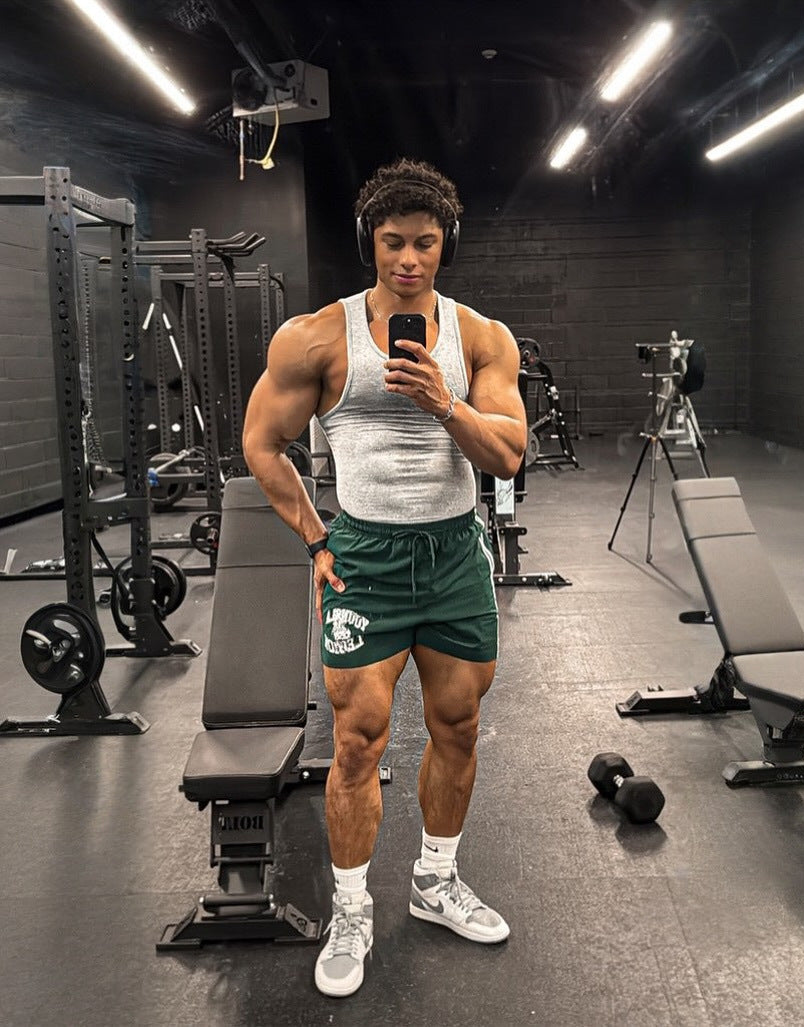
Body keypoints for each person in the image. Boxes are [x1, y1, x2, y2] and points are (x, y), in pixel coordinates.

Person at [242, 157, 527, 998]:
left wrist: (445, 403)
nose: (409, 259)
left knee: (458, 724)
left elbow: (509, 454)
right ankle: (351, 907)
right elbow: (261, 443)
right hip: (364, 556)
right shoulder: (316, 338)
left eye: (425, 243)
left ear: (447, 245)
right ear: (370, 241)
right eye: (394, 241)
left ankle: (435, 880)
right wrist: (315, 538)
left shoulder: (481, 338)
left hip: (454, 555)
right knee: (358, 738)